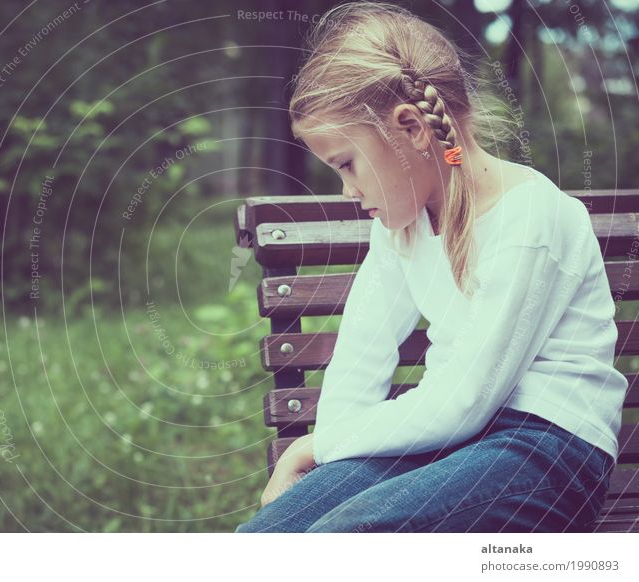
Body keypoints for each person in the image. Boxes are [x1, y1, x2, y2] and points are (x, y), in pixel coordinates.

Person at [234, 1, 628, 533]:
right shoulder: (403, 226)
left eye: (347, 164)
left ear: (412, 129)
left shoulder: (532, 218)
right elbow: (360, 363)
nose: (347, 191)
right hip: (449, 443)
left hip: (546, 451)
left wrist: (313, 446)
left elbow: (463, 400)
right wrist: (329, 457)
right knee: (266, 536)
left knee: (343, 537)